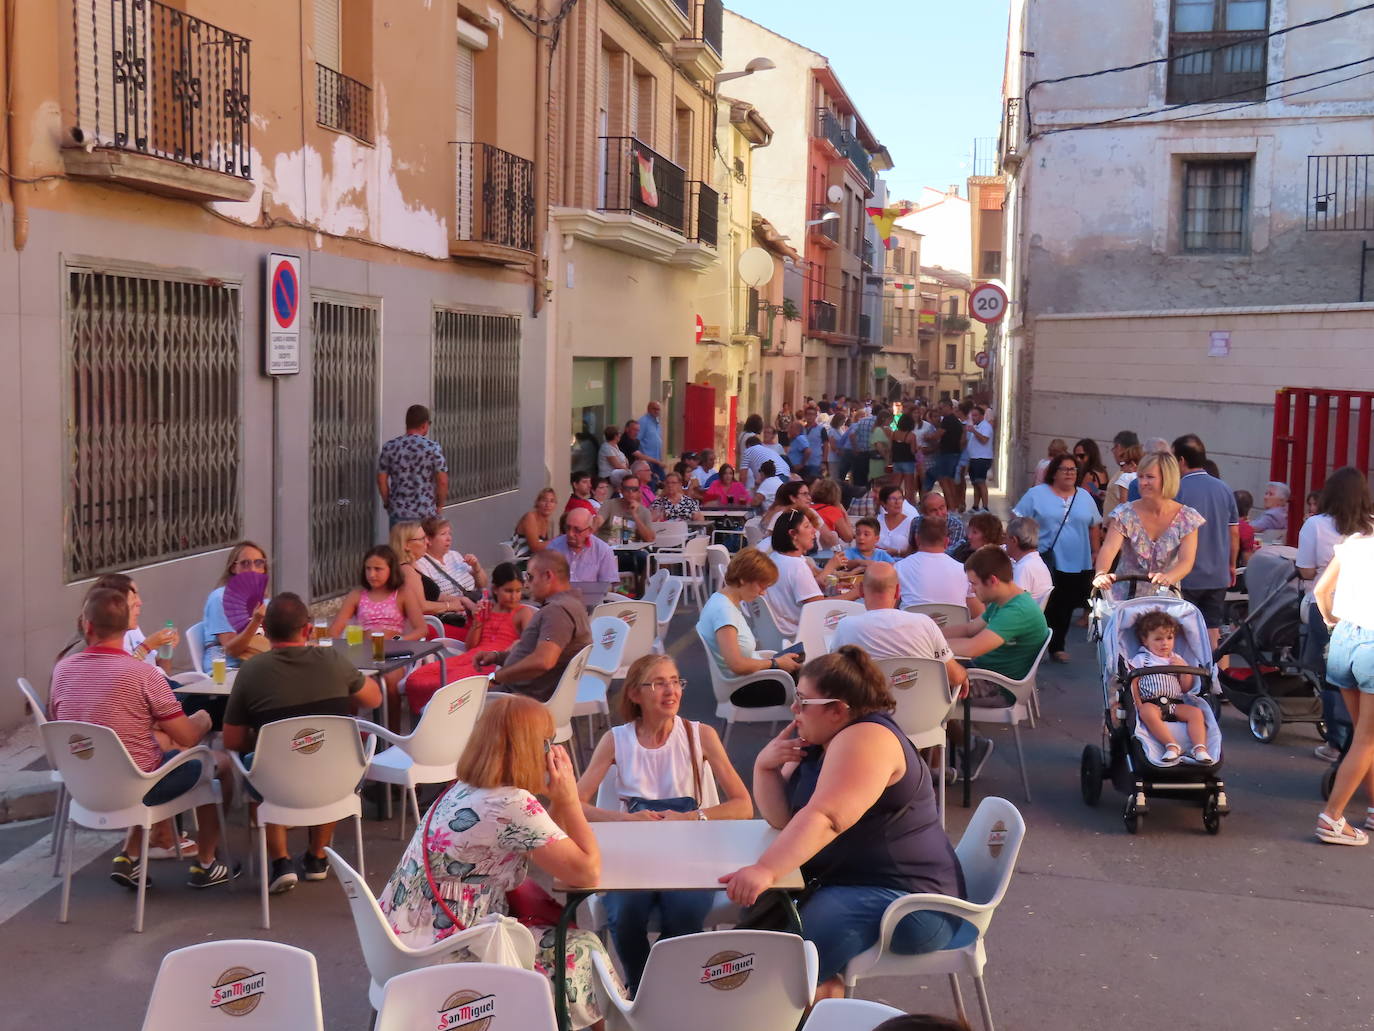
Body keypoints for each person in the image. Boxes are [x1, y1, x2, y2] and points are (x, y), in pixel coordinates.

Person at [719, 648, 966, 1001]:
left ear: (838, 709)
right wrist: (765, 767)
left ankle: (779, 1004)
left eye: (804, 701)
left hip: (914, 904)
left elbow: (827, 818)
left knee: (786, 957)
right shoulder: (823, 740)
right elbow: (783, 820)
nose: (794, 710)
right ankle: (811, 999)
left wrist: (765, 870)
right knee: (774, 939)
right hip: (858, 884)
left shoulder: (866, 738)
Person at [377, 694, 615, 1028]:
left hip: (399, 941)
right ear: (533, 749)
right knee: (583, 950)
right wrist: (571, 798)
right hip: (451, 948)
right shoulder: (511, 804)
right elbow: (587, 871)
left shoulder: (463, 788)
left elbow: (544, 835)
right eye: (548, 742)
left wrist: (558, 801)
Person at [576, 654, 751, 988]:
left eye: (675, 681)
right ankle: (643, 989)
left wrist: (690, 816)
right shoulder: (616, 739)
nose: (671, 691)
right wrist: (623, 820)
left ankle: (659, 988)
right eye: (658, 683)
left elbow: (743, 805)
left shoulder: (701, 736)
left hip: (689, 855)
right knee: (625, 913)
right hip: (634, 855)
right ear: (635, 694)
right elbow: (574, 804)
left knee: (685, 913)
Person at [50, 588, 237, 889]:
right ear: (128, 629)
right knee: (221, 764)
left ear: (87, 626)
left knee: (144, 756)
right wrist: (204, 717)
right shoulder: (142, 675)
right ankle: (206, 862)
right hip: (139, 788)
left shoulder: (61, 670)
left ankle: (130, 855)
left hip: (83, 786)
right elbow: (187, 737)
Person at [226, 593, 382, 893]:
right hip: (335, 780)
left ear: (266, 633)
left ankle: (280, 862)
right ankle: (317, 856)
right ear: (308, 630)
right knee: (330, 758)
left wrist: (270, 742)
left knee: (257, 763)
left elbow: (232, 740)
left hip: (276, 784)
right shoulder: (333, 661)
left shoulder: (251, 671)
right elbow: (374, 698)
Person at [943, 547, 1051, 777]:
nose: (971, 589)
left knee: (927, 690)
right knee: (930, 682)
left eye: (974, 583)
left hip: (997, 685)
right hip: (984, 674)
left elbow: (973, 647)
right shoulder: (1005, 599)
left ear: (992, 580)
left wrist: (931, 647)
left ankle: (936, 767)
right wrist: (928, 632)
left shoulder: (1017, 611)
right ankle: (967, 747)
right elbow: (970, 629)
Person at [1300, 467, 1374, 761]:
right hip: (1364, 611)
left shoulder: (1315, 525)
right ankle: (1361, 743)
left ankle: (1337, 742)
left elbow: (1306, 571)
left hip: (1327, 607)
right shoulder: (1371, 526)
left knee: (1333, 678)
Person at [1313, 526, 1374, 846]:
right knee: (1367, 738)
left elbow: (1321, 592)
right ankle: (1332, 817)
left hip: (1345, 638)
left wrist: (1331, 623)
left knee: (1365, 737)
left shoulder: (1355, 541)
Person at [1012, 454, 1102, 662]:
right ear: (1054, 472)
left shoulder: (1084, 496)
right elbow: (1018, 520)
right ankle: (1030, 645)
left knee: (1064, 606)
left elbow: (1094, 525)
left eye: (1073, 469)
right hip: (1044, 559)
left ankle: (1057, 646)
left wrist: (1096, 551)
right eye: (1065, 469)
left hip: (1077, 561)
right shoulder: (1036, 494)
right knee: (1040, 605)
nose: (1070, 473)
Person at [830, 564, 969, 694]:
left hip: (867, 715)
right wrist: (964, 675)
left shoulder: (845, 627)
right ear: (897, 591)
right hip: (925, 715)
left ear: (860, 591)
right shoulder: (925, 623)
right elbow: (955, 677)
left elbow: (835, 676)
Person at [473, 550, 590, 702]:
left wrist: (495, 677)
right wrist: (498, 656)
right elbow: (535, 654)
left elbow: (543, 661)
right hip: (522, 694)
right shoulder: (571, 604)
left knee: (451, 708)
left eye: (530, 577)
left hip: (518, 701)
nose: (527, 584)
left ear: (548, 576)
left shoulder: (557, 611)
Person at [330, 544, 426, 728]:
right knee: (348, 680)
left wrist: (398, 641)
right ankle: (350, 732)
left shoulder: (403, 594)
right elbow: (335, 629)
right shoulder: (358, 595)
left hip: (392, 654)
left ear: (391, 570)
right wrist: (345, 643)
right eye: (368, 569)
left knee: (390, 680)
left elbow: (421, 629)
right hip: (362, 653)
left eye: (378, 569)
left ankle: (392, 736)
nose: (371, 574)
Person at [697, 548, 803, 705]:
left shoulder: (720, 600)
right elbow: (737, 664)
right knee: (816, 681)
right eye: (762, 586)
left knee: (814, 675)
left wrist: (776, 662)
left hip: (748, 680)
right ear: (743, 579)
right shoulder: (724, 612)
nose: (763, 593)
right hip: (742, 688)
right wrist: (775, 663)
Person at [1092, 451, 1202, 598]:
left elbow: (1186, 561)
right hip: (1126, 598)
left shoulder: (1187, 518)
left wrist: (1169, 577)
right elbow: (1109, 548)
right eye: (1140, 476)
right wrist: (1101, 573)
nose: (1142, 483)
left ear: (1167, 479)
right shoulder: (1125, 513)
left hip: (1165, 600)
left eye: (1149, 477)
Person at [1173, 437, 1239, 657]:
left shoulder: (1177, 489)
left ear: (1181, 460)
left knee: (1182, 631)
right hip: (1218, 574)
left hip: (1186, 573)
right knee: (1213, 629)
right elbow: (1234, 532)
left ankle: (1188, 679)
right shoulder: (1224, 489)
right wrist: (1231, 565)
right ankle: (1217, 680)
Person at [1128, 610, 1212, 765]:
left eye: (1169, 638)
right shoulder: (1142, 659)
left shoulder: (1177, 659)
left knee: (1196, 713)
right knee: (1146, 711)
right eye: (1158, 639)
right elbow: (1133, 682)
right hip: (1151, 702)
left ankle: (1200, 748)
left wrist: (1184, 668)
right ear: (1145, 640)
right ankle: (1171, 745)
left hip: (1175, 703)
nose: (1164, 643)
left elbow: (1185, 688)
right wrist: (1137, 704)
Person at [764, 510, 844, 638]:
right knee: (852, 619)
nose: (814, 531)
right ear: (793, 534)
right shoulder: (796, 566)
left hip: (775, 632)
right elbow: (821, 607)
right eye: (807, 526)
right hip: (798, 634)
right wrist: (857, 593)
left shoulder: (775, 557)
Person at [200, 540, 271, 674]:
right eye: (245, 564)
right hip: (226, 671)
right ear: (233, 568)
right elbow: (232, 650)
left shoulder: (265, 601)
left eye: (258, 563)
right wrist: (256, 621)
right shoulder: (220, 599)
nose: (252, 569)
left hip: (257, 667)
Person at [377, 404, 448, 526]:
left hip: (398, 514)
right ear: (424, 424)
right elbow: (442, 481)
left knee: (399, 545)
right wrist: (440, 505)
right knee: (422, 544)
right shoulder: (432, 448)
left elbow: (381, 480)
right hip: (425, 514)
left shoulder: (390, 447)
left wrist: (387, 503)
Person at [895, 517, 981, 615]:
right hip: (954, 629)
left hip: (913, 629)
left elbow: (887, 609)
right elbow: (979, 613)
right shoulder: (964, 571)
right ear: (946, 542)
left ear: (917, 539)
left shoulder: (899, 568)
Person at [391, 522, 467, 626]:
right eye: (422, 539)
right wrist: (450, 606)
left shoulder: (410, 566)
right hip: (426, 628)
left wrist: (463, 600)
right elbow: (421, 607)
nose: (427, 542)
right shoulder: (407, 571)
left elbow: (434, 595)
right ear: (406, 545)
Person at [416, 517, 487, 623]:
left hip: (476, 606)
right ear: (429, 540)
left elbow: (483, 584)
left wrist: (477, 568)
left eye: (450, 533)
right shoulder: (421, 564)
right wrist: (463, 602)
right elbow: (431, 596)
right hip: (455, 616)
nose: (449, 538)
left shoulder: (455, 555)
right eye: (443, 534)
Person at [549, 507, 620, 584]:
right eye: (568, 527)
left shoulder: (603, 550)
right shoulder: (554, 546)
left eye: (577, 530)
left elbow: (607, 586)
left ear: (589, 531)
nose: (570, 534)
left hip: (590, 595)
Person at [597, 473, 657, 544]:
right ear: (621, 490)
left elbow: (649, 539)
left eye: (634, 489)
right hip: (608, 548)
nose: (630, 492)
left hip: (631, 551)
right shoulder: (609, 504)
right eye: (627, 489)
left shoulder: (644, 512)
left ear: (639, 491)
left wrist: (635, 515)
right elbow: (597, 522)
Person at [1005, 516, 1053, 603]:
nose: (1005, 542)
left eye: (1006, 538)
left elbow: (1016, 606)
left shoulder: (1024, 568)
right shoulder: (1035, 562)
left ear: (1014, 540)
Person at [909, 491, 968, 558]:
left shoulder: (956, 526)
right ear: (924, 514)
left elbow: (951, 554)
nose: (939, 513)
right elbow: (911, 549)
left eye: (942, 508)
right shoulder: (916, 522)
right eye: (934, 510)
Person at [932, 400, 965, 502]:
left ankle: (952, 506)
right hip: (955, 453)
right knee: (952, 481)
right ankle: (955, 504)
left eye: (941, 408)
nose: (940, 411)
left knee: (946, 481)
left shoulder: (947, 420)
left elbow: (937, 435)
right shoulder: (956, 421)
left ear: (948, 407)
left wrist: (928, 437)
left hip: (947, 454)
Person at [513, 487, 559, 558]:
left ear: (555, 505)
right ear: (537, 502)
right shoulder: (530, 517)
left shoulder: (549, 522)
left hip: (536, 561)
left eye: (552, 501)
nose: (548, 504)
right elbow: (535, 547)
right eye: (544, 500)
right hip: (521, 560)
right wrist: (558, 539)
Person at [965, 405, 995, 512]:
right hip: (974, 458)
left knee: (981, 482)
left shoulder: (986, 426)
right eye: (972, 415)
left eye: (975, 415)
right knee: (975, 483)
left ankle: (985, 506)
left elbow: (984, 440)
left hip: (982, 458)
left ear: (982, 416)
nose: (973, 418)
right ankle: (975, 506)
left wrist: (974, 431)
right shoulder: (976, 426)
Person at [810, 478, 855, 543]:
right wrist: (844, 513)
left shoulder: (808, 508)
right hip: (825, 549)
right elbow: (848, 537)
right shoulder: (832, 511)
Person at [1103, 443, 1142, 517]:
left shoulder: (1126, 477)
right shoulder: (1147, 479)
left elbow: (1123, 504)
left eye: (1122, 464)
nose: (1121, 469)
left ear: (1132, 464)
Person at [877, 485, 917, 558]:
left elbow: (916, 551)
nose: (897, 502)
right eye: (893, 499)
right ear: (883, 503)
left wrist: (897, 552)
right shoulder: (877, 521)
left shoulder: (911, 523)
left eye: (900, 498)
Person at [888, 413, 921, 503]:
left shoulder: (894, 434)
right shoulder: (911, 435)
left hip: (896, 461)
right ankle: (908, 504)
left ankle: (892, 501)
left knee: (895, 485)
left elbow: (890, 448)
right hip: (908, 462)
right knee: (909, 486)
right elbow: (913, 451)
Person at [1073, 438, 1109, 509]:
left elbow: (1080, 498)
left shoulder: (1090, 475)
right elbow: (1095, 491)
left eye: (1081, 456)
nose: (1078, 459)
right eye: (1075, 456)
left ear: (1091, 455)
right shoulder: (1101, 471)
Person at [1234, 490, 1259, 566]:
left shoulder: (1218, 521)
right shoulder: (1245, 529)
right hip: (1231, 573)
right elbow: (1247, 562)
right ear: (1249, 509)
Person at [639, 399, 665, 466]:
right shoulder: (643, 421)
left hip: (656, 460)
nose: (656, 411)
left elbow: (657, 441)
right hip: (646, 461)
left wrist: (660, 458)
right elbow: (637, 440)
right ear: (648, 409)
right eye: (654, 409)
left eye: (658, 409)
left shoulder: (657, 422)